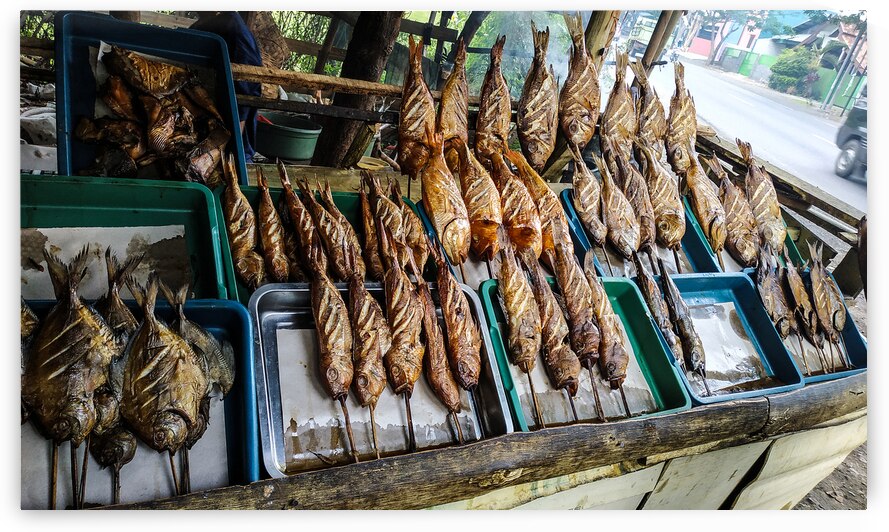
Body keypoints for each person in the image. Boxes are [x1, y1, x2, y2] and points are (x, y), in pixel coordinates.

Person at [190, 12, 263, 162]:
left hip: (230, 137)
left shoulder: (235, 30)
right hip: (199, 126)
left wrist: (232, 150)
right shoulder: (199, 27)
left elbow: (245, 89)